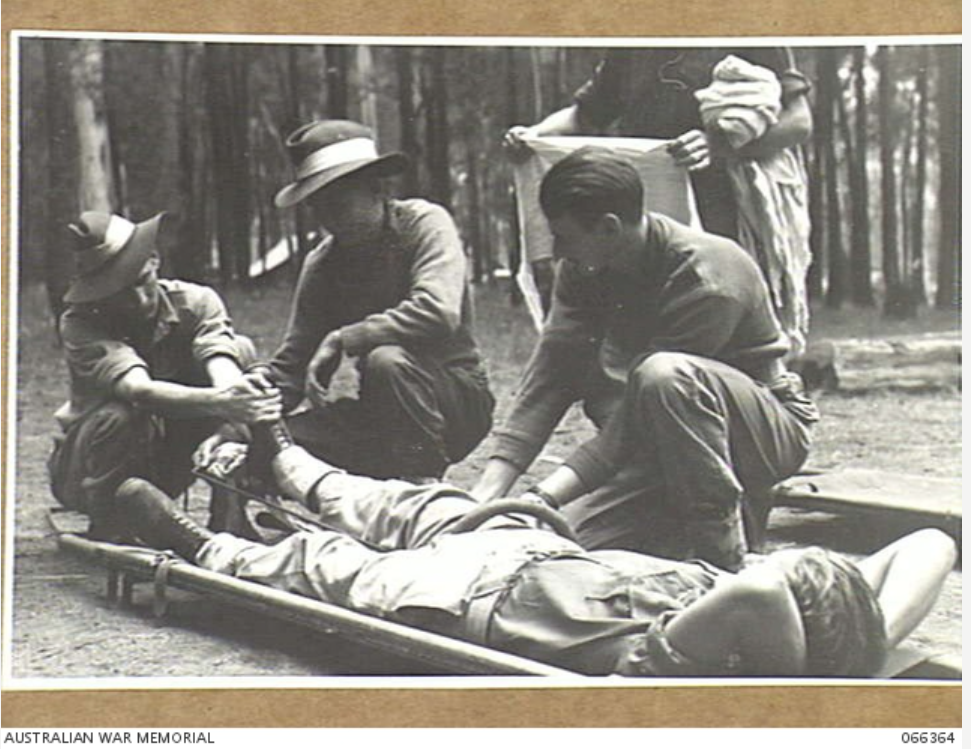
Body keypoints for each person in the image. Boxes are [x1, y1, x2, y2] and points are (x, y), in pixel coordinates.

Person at [116, 425, 957, 678]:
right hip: (529, 549)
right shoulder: (761, 609)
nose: (754, 565)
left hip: (475, 598)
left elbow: (767, 589)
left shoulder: (704, 660)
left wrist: (816, 609)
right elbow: (930, 543)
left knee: (334, 568)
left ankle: (202, 545)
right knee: (398, 500)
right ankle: (290, 459)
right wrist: (864, 618)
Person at [471, 148, 820, 571]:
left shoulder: (707, 275)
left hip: (759, 433)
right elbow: (553, 372)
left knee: (664, 376)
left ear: (609, 227)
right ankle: (678, 529)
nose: (559, 251)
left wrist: (544, 496)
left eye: (564, 236)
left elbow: (640, 412)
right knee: (553, 547)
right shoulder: (587, 266)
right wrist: (487, 494)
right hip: (659, 445)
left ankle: (725, 561)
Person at [505, 47, 813, 350]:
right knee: (646, 316)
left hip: (729, 202)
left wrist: (718, 145)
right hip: (649, 201)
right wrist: (533, 135)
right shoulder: (633, 38)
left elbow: (799, 122)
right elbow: (585, 114)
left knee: (722, 312)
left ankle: (735, 390)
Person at [265, 119, 494, 481]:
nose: (329, 220)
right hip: (380, 412)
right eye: (318, 207)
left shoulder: (425, 224)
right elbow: (293, 363)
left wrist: (345, 337)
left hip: (456, 401)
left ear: (375, 189)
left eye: (338, 204)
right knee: (273, 442)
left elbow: (437, 311)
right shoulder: (322, 263)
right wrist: (244, 407)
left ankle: (425, 490)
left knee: (385, 361)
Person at [48, 211, 283, 540]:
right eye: (120, 292)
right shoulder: (81, 323)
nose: (139, 300)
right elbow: (138, 390)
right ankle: (110, 523)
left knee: (240, 351)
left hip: (168, 460)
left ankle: (229, 512)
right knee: (118, 415)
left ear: (154, 259)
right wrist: (223, 402)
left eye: (142, 281)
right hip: (88, 470)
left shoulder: (196, 301)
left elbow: (223, 364)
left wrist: (234, 411)